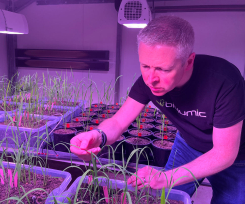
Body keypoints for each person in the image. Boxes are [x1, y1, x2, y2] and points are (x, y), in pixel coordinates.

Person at [70, 16, 245, 204]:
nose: (151, 79)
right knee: (167, 199)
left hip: (236, 158)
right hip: (188, 144)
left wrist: (167, 177)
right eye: (145, 66)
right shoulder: (148, 82)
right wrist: (98, 136)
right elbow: (118, 122)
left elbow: (224, 153)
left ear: (188, 61)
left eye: (163, 69)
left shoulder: (224, 81)